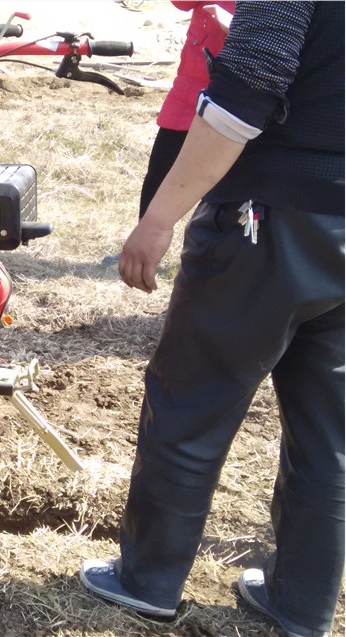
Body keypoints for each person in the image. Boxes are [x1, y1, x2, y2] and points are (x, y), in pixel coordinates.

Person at [80, 3, 344, 637]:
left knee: (190, 402)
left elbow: (242, 98)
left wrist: (161, 216)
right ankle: (301, 603)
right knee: (330, 433)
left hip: (271, 221)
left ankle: (147, 579)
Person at [137, 1, 234, 220]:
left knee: (230, 184)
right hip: (190, 89)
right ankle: (141, 249)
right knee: (160, 174)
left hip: (239, 91)